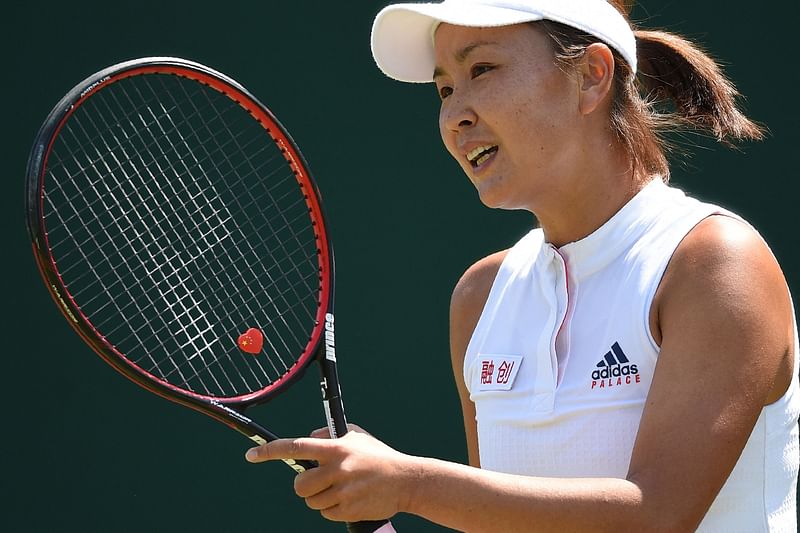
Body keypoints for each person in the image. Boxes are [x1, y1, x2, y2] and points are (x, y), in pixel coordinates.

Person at [246, 1, 799, 531]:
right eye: (443, 88)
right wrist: (390, 487)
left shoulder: (713, 263)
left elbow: (656, 517)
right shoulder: (481, 296)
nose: (454, 115)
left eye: (482, 69)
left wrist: (409, 484)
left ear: (591, 76)